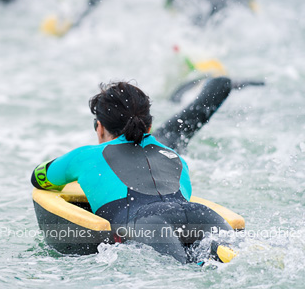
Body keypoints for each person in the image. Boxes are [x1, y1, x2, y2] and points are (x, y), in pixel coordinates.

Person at [30, 78, 233, 263]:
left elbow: (39, 177)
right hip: (204, 216)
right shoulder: (175, 156)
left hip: (148, 226)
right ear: (149, 126)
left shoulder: (85, 156)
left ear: (99, 127)